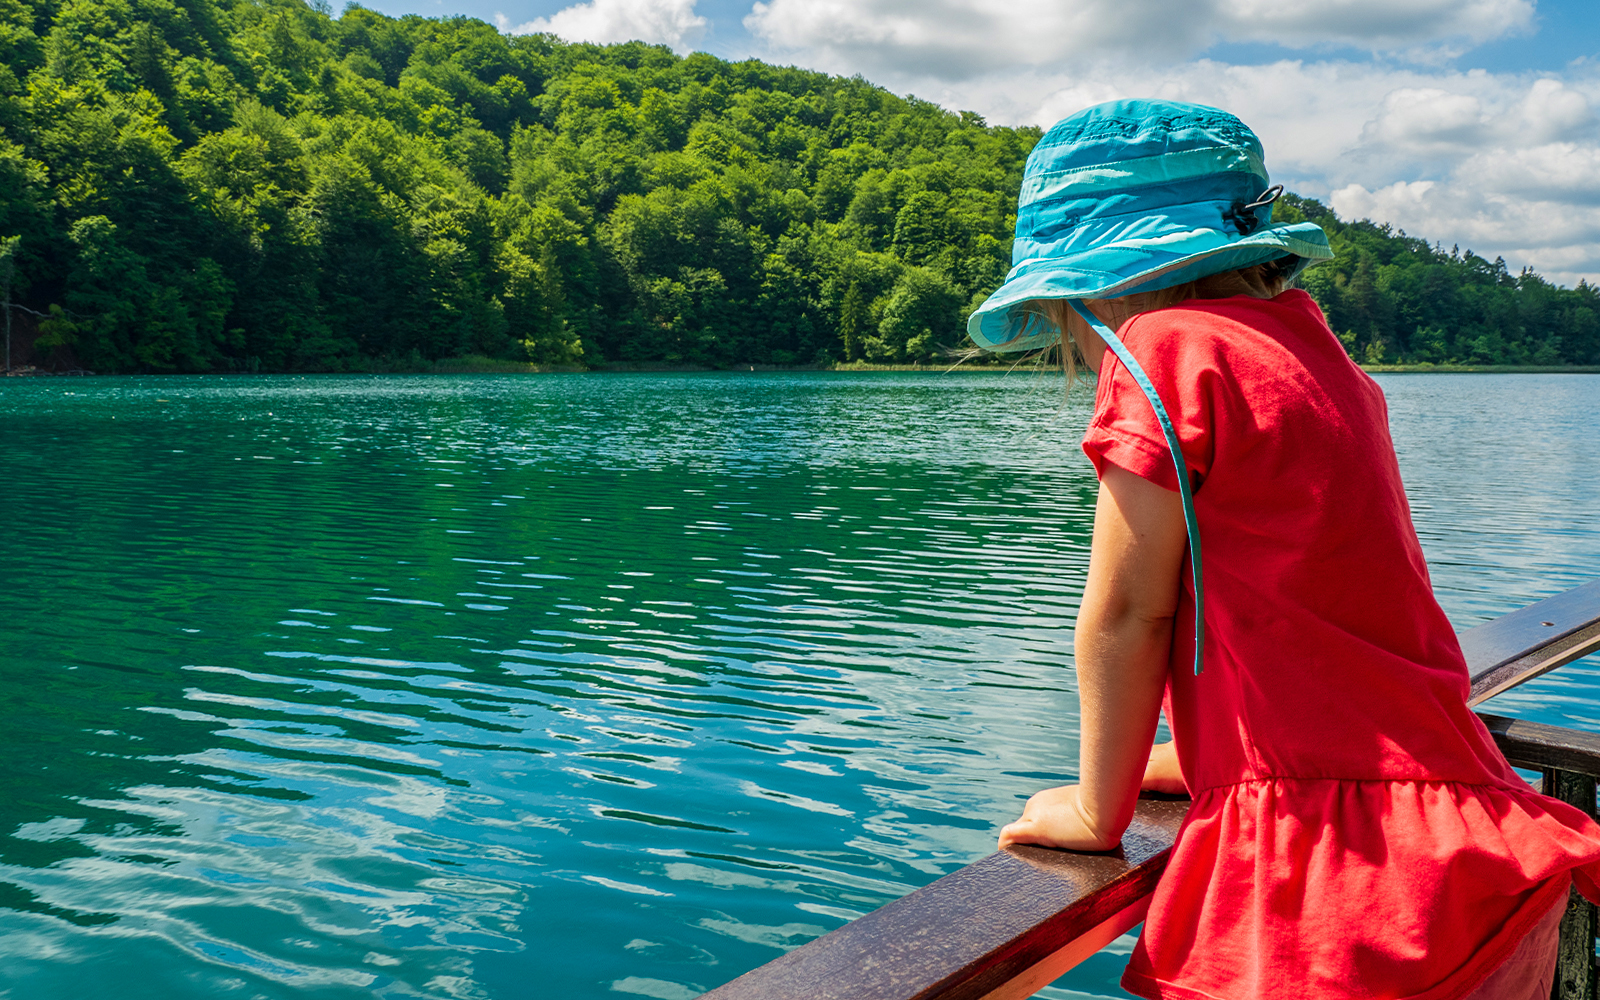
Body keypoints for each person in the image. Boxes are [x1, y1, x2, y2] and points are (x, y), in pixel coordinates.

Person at [967, 99, 1600, 1000]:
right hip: (1465, 849)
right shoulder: (1315, 350)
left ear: (1096, 280)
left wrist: (1095, 809)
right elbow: (1325, 600)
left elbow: (1128, 613)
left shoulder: (1162, 349)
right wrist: (1206, 749)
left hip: (1342, 888)